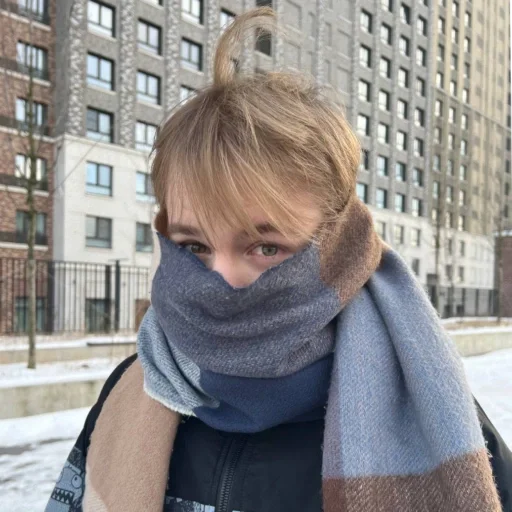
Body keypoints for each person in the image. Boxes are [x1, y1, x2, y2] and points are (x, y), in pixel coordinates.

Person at [46, 7, 511, 512]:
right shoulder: (134, 388)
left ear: (337, 247)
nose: (221, 282)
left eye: (265, 247)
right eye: (195, 246)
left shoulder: (435, 418)